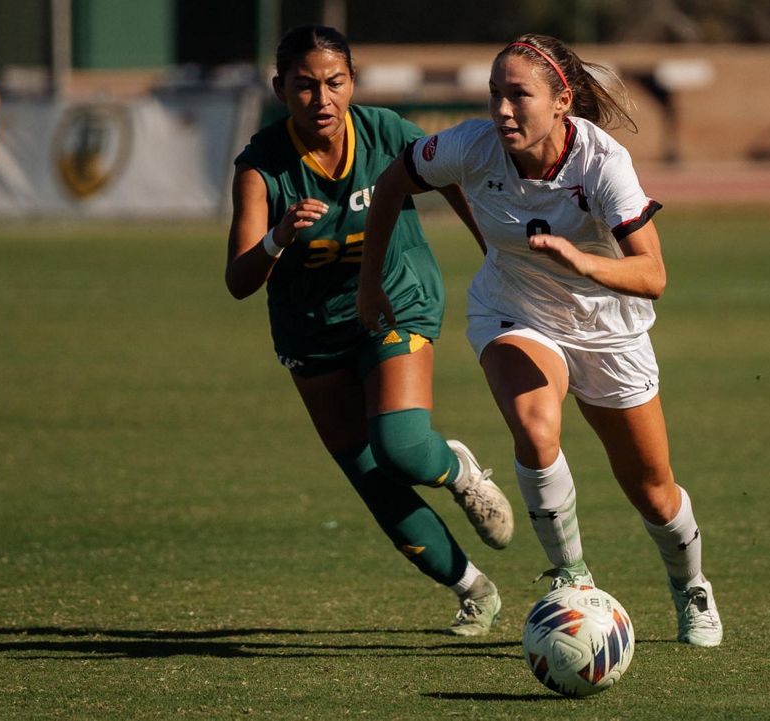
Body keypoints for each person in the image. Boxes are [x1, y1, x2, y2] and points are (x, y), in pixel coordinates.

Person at [359, 33, 723, 647]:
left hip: (609, 328)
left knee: (653, 490)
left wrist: (582, 263)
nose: (502, 109)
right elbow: (392, 183)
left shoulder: (601, 164)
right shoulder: (471, 146)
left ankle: (691, 585)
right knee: (534, 427)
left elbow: (652, 276)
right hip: (514, 310)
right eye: (494, 94)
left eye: (518, 96)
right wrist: (370, 285)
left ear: (561, 102)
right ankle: (572, 577)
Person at [225, 26, 513, 636]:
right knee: (371, 476)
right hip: (311, 333)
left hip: (395, 302)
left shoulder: (387, 134)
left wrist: (496, 255)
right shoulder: (260, 166)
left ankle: (459, 472)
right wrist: (278, 238)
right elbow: (239, 279)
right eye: (304, 86)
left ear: (352, 82)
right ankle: (473, 591)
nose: (321, 99)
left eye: (334, 83)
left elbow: (456, 179)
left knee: (402, 446)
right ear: (280, 89)